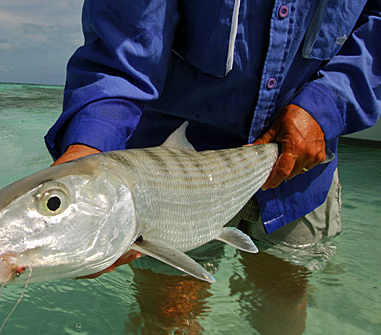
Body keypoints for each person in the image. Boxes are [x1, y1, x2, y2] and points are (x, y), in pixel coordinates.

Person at [45, 1, 381, 274]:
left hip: (301, 165)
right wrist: (90, 148)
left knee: (283, 299)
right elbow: (122, 48)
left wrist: (327, 106)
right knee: (170, 314)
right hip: (167, 183)